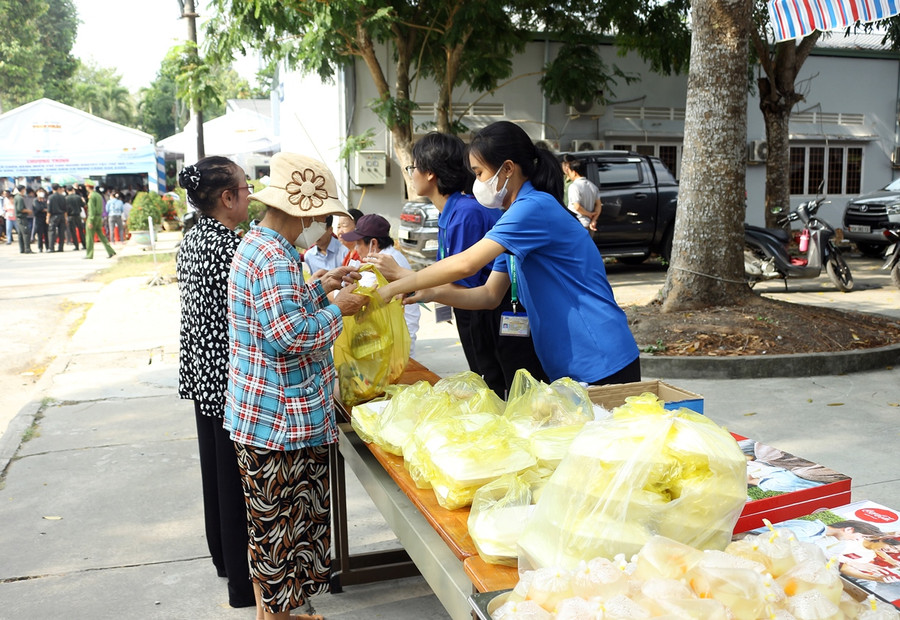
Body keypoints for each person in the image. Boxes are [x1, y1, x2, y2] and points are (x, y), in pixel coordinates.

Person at [379, 121, 640, 385]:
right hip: (569, 364)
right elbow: (490, 295)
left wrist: (392, 287)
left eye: (479, 173)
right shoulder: (513, 219)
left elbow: (467, 263)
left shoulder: (533, 208)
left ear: (507, 169)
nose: (476, 183)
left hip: (599, 357)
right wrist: (432, 292)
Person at [224, 152, 366, 620]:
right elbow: (289, 335)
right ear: (302, 211)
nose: (321, 223)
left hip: (267, 417)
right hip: (280, 424)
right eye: (320, 214)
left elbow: (279, 311)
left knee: (271, 529)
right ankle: (280, 617)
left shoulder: (264, 248)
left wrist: (323, 286)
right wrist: (337, 309)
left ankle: (278, 613)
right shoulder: (274, 257)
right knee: (284, 532)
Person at [372, 131, 547, 396]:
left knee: (501, 387)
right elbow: (452, 277)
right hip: (475, 306)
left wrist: (400, 278)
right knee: (489, 382)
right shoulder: (451, 212)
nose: (411, 174)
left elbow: (464, 273)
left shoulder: (468, 213)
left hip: (491, 310)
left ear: (430, 172)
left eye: (412, 167)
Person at [176, 156, 256, 609]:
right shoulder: (229, 247)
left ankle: (225, 560)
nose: (249, 195)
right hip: (227, 375)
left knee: (216, 474)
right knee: (234, 481)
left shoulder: (193, 238)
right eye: (245, 189)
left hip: (202, 373)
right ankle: (243, 586)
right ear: (226, 198)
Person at [342, 213, 421, 357]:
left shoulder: (385, 263)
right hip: (389, 338)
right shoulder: (388, 257)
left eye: (359, 243)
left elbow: (359, 299)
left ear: (374, 243)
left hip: (395, 343)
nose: (356, 249)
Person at [563, 154, 601, 231]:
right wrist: (593, 219)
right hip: (589, 224)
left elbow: (577, 207)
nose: (568, 174)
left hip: (577, 224)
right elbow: (598, 205)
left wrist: (589, 214)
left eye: (569, 171)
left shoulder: (574, 186)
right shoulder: (593, 186)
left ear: (574, 172)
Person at [83, 179, 116, 259]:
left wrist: (90, 221)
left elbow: (92, 210)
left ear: (87, 187)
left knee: (89, 237)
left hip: (93, 218)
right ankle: (111, 251)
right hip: (99, 218)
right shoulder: (98, 195)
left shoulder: (92, 196)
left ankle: (89, 254)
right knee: (102, 236)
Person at [48, 184, 67, 252]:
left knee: (52, 232)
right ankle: (61, 247)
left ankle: (51, 248)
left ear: (52, 188)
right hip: (62, 216)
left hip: (54, 216)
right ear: (58, 188)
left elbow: (49, 209)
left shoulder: (50, 197)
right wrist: (65, 219)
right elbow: (65, 209)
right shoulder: (63, 197)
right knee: (61, 232)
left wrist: (47, 218)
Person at [13, 186, 33, 254]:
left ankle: (22, 249)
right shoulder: (20, 198)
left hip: (19, 218)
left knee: (21, 234)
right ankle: (27, 249)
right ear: (22, 190)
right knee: (26, 233)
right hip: (22, 218)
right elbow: (20, 209)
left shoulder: (16, 197)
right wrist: (29, 211)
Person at [65, 185, 85, 251]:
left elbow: (65, 209)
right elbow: (83, 205)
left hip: (70, 216)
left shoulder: (66, 198)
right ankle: (84, 244)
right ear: (73, 190)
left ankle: (76, 246)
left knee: (73, 231)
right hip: (78, 215)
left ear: (67, 191)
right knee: (81, 230)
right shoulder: (78, 197)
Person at [32, 188, 49, 252]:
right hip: (38, 218)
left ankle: (48, 247)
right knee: (40, 234)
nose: (41, 193)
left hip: (45, 218)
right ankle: (40, 247)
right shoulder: (35, 200)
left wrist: (45, 209)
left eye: (42, 191)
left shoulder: (45, 200)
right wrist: (44, 209)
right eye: (39, 191)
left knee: (46, 233)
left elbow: (48, 207)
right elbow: (38, 208)